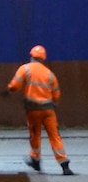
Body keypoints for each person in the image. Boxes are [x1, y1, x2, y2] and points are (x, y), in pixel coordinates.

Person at [7, 46, 73, 174]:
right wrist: (52, 103)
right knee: (54, 136)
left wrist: (9, 89)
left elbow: (15, 86)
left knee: (35, 135)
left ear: (31, 55)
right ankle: (64, 164)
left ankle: (36, 160)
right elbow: (57, 94)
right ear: (43, 58)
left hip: (33, 110)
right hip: (49, 110)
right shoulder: (50, 74)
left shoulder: (25, 69)